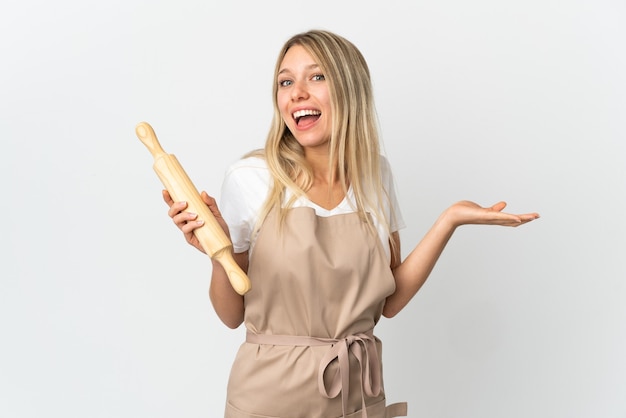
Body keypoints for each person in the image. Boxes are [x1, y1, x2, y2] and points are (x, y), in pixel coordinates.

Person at [162, 29, 539, 418]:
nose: (297, 93)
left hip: (357, 392)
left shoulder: (375, 175)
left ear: (350, 88)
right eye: (286, 81)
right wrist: (216, 252)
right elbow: (231, 315)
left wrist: (450, 219)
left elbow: (389, 301)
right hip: (268, 398)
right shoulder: (251, 177)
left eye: (317, 76)